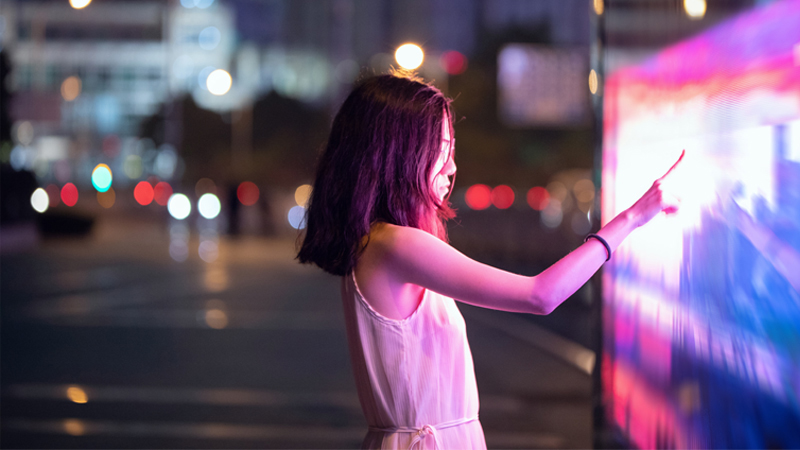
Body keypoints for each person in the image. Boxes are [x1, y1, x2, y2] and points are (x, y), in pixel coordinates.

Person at [298, 73, 683, 449]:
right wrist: (632, 218)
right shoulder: (397, 245)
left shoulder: (380, 242)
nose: (450, 167)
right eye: (440, 148)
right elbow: (540, 295)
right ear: (399, 152)